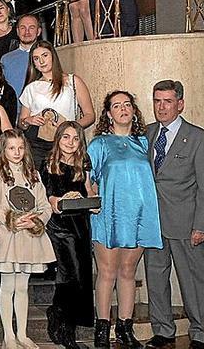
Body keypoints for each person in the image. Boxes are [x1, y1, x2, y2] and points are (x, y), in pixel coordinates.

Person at [88, 91, 162, 349]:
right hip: (108, 215)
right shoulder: (98, 144)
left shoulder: (144, 142)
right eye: (116, 106)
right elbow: (87, 179)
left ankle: (125, 329)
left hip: (139, 216)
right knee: (107, 272)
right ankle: (101, 330)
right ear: (108, 114)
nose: (123, 109)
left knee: (128, 272)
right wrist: (89, 194)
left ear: (134, 110)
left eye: (127, 105)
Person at [0, 130, 56, 349]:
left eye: (20, 148)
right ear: (3, 150)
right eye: (11, 148)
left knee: (23, 287)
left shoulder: (33, 174)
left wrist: (37, 221)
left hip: (30, 236)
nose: (17, 152)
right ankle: (8, 336)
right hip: (9, 237)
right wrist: (10, 217)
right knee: (8, 286)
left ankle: (22, 334)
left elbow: (44, 206)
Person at [144, 80, 204, 349]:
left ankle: (200, 331)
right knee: (156, 278)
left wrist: (200, 225)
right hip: (153, 224)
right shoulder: (146, 134)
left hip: (185, 223)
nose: (162, 107)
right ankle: (163, 330)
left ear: (180, 104)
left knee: (193, 281)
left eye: (167, 101)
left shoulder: (197, 137)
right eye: (157, 101)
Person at [41, 121, 95, 349]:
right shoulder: (48, 164)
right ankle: (64, 327)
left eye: (75, 138)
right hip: (59, 228)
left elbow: (91, 194)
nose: (70, 142)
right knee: (68, 274)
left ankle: (60, 315)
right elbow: (51, 200)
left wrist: (93, 201)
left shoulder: (84, 163)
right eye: (66, 137)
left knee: (81, 276)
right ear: (58, 139)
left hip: (81, 226)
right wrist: (65, 199)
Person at [18, 41, 95, 166]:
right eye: (36, 59)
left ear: (53, 56)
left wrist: (70, 126)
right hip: (38, 144)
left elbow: (90, 115)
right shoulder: (31, 87)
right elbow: (21, 122)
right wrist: (29, 120)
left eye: (45, 55)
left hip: (68, 143)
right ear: (34, 64)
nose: (41, 61)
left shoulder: (73, 81)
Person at [1, 14, 42, 104]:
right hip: (12, 112)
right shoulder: (6, 59)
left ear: (38, 31)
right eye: (23, 28)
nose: (27, 32)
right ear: (18, 31)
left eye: (31, 28)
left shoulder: (46, 56)